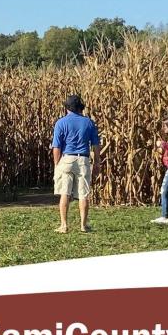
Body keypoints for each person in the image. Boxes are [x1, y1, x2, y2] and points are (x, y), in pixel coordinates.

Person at [51, 94, 101, 233]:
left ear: (67, 108)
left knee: (65, 193)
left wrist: (57, 164)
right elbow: (96, 144)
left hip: (67, 159)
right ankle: (83, 226)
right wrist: (97, 162)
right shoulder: (89, 122)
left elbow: (57, 147)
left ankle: (64, 225)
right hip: (83, 159)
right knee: (83, 194)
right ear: (80, 108)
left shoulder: (61, 123)